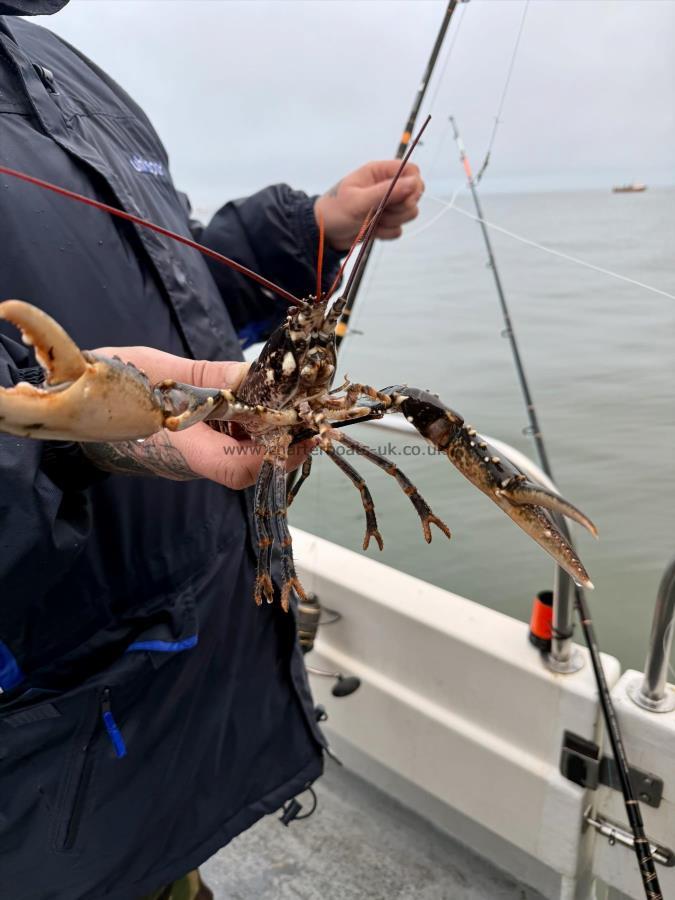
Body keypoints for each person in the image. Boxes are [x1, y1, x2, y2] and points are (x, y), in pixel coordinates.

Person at [0, 3, 424, 899]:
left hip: (177, 703)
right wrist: (81, 438)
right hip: (38, 761)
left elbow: (168, 285)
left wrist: (305, 231)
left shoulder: (59, 69)